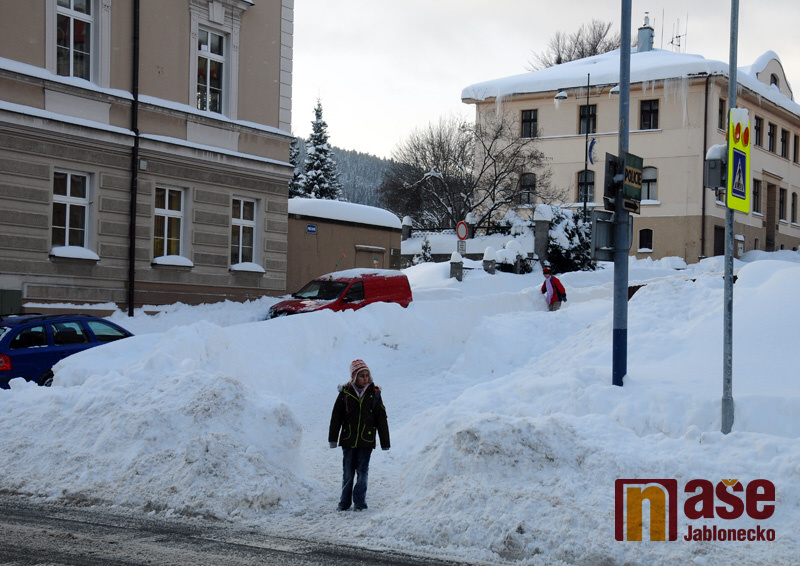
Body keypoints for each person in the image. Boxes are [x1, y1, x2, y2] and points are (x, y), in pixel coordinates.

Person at [328, 359, 390, 511]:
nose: (365, 378)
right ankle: (344, 502)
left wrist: (385, 442)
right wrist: (333, 439)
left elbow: (381, 419)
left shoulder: (374, 394)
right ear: (354, 376)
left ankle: (360, 502)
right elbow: (336, 417)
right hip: (348, 439)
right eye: (362, 376)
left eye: (367, 375)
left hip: (366, 440)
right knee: (348, 472)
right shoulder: (345, 393)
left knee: (362, 472)